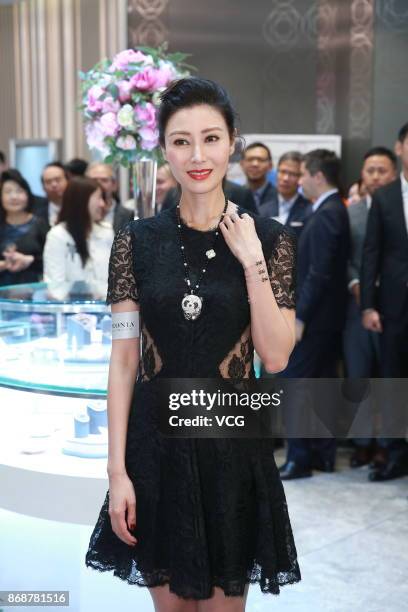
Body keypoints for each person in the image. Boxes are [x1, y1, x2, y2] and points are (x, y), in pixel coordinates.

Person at [85, 77, 301, 611]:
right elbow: (123, 361)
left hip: (232, 446)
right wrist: (117, 472)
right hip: (154, 453)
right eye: (181, 141)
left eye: (210, 138)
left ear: (233, 143)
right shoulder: (136, 242)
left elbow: (275, 356)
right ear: (164, 150)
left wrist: (251, 261)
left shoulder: (270, 240)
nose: (197, 155)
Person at [279, 149, 350, 480]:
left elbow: (318, 273)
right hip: (328, 320)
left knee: (296, 385)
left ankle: (298, 458)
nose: (300, 179)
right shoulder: (330, 210)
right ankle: (321, 455)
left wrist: (300, 317)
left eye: (304, 173)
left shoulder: (327, 213)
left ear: (318, 176)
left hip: (316, 320)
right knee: (321, 386)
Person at [344, 147, 397, 471]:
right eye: (370, 170)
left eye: (382, 170)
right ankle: (362, 442)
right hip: (356, 306)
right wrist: (354, 284)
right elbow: (344, 257)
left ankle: (387, 444)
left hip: (394, 306)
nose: (376, 176)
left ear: (394, 174)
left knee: (388, 377)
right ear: (362, 175)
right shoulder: (351, 211)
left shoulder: (400, 209)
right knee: (358, 375)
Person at [360, 123, 408, 481]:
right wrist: (369, 305)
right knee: (392, 380)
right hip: (394, 306)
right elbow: (371, 253)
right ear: (400, 148)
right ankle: (394, 453)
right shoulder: (386, 196)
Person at [43, 177, 113, 296]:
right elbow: (55, 285)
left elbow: (115, 277)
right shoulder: (58, 236)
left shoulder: (107, 231)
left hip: (107, 308)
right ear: (82, 201)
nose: (102, 204)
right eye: (98, 198)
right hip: (71, 309)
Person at [0, 169, 48, 286]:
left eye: (19, 191)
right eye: (8, 192)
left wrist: (29, 260)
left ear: (28, 194)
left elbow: (52, 260)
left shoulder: (40, 224)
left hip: (33, 293)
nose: (14, 197)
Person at [86, 162, 132, 233]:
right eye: (93, 180)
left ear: (114, 185)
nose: (98, 184)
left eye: (104, 180)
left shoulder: (129, 215)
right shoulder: (77, 213)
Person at [240, 142, 278, 217]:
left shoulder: (280, 197)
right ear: (242, 164)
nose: (255, 164)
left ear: (270, 166)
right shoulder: (233, 197)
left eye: (261, 160)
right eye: (250, 159)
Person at [33, 161, 69, 230]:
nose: (54, 185)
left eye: (58, 180)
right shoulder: (36, 214)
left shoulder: (80, 208)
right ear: (43, 187)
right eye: (48, 182)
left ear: (68, 181)